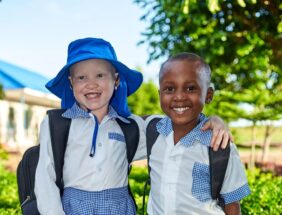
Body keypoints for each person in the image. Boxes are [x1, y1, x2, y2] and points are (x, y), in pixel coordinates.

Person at [34, 38, 231, 215]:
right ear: (70, 83)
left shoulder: (132, 127)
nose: (91, 84)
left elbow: (178, 121)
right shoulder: (57, 124)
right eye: (81, 77)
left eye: (100, 75)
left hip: (120, 208)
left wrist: (212, 120)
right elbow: (44, 179)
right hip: (71, 209)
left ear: (117, 80)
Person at [145, 53, 251, 214]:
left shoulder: (220, 144)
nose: (179, 96)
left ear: (208, 95)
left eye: (190, 88)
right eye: (169, 89)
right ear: (160, 95)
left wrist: (217, 119)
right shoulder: (151, 131)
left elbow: (232, 204)